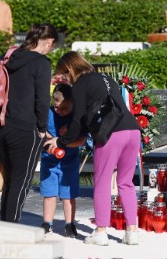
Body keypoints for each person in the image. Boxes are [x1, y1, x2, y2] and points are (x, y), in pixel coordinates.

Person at [44, 51, 142, 246]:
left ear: (71, 69)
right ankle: (132, 232)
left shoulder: (81, 83)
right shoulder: (105, 78)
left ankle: (101, 232)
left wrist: (61, 142)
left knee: (103, 182)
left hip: (110, 133)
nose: (65, 79)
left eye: (64, 75)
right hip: (132, 131)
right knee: (126, 182)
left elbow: (78, 120)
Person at [0, 23, 57, 223]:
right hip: (25, 128)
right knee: (21, 180)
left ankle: (6, 222)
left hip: (0, 126)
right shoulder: (42, 63)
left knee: (10, 179)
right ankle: (11, 227)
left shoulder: (9, 55)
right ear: (49, 42)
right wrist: (43, 129)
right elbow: (43, 100)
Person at [40, 83, 86, 238]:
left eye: (64, 108)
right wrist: (46, 138)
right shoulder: (49, 114)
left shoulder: (75, 118)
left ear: (73, 103)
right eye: (57, 107)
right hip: (49, 161)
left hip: (69, 161)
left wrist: (62, 141)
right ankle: (47, 223)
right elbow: (40, 131)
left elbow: (81, 141)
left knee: (68, 195)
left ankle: (69, 224)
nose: (59, 111)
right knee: (49, 193)